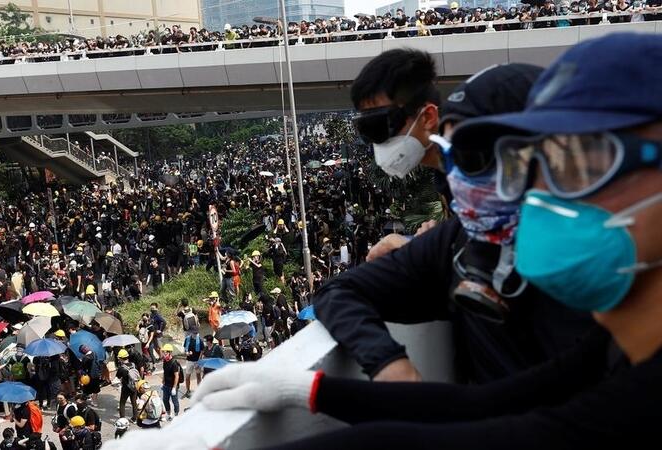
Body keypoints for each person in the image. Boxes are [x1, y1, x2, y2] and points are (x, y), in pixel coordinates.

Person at [187, 32, 662, 450]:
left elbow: (506, 434)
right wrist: (308, 391)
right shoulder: (610, 338)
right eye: (535, 164)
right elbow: (486, 405)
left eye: (587, 163)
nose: (542, 192)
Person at [315, 62, 592, 384]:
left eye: (476, 158)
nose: (462, 180)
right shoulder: (456, 245)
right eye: (453, 157)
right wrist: (390, 365)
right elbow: (337, 292)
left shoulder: (606, 262)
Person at [115, 349, 140, 421]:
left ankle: (122, 419)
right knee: (134, 402)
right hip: (134, 386)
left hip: (126, 387)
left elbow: (118, 377)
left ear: (120, 358)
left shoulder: (121, 368)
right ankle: (135, 418)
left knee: (122, 403)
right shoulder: (133, 364)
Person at [160, 344, 180, 421]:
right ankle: (169, 414)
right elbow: (165, 372)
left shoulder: (174, 363)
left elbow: (176, 376)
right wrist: (162, 382)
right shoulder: (165, 361)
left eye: (165, 353)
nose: (164, 354)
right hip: (166, 385)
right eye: (163, 352)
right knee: (165, 400)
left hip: (173, 386)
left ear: (170, 353)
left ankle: (176, 415)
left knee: (175, 401)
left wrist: (174, 388)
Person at [182, 331, 204, 398]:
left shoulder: (200, 340)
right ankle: (188, 391)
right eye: (194, 333)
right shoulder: (187, 339)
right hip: (189, 361)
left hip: (197, 361)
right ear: (191, 333)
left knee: (198, 376)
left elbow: (202, 351)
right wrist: (187, 353)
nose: (195, 334)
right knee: (187, 377)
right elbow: (185, 350)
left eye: (196, 333)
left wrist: (199, 361)